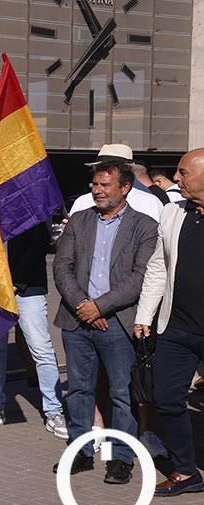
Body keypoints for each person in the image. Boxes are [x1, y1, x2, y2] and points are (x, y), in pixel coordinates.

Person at [51, 160, 158, 485]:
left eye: (104, 185)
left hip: (118, 322)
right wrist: (83, 305)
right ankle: (81, 452)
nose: (96, 191)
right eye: (95, 185)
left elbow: (141, 276)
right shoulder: (80, 221)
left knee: (121, 392)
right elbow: (61, 266)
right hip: (77, 320)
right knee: (80, 389)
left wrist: (100, 307)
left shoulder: (144, 226)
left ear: (125, 188)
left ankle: (120, 458)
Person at [135, 148, 204, 496]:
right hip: (176, 327)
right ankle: (185, 471)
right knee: (166, 398)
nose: (176, 179)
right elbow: (158, 267)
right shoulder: (172, 212)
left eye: (183, 172)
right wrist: (144, 315)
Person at [0, 222, 67, 438]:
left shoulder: (24, 195)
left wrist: (15, 281)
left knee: (40, 348)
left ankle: (54, 411)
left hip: (27, 287)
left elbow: (39, 242)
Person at [69, 144, 163, 221]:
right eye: (101, 168)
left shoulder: (149, 202)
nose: (98, 190)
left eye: (106, 185)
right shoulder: (82, 202)